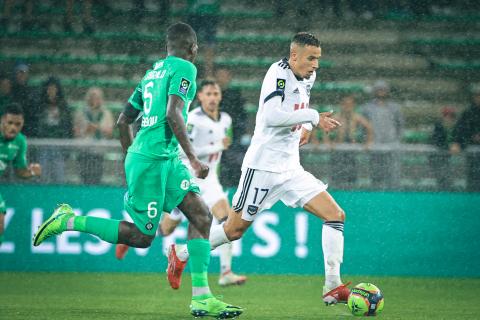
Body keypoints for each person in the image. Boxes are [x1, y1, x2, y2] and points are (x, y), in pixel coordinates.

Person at [33, 22, 242, 319]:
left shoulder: (151, 73)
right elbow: (172, 113)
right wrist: (194, 160)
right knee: (143, 237)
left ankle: (202, 298)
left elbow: (123, 120)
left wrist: (131, 156)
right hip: (153, 160)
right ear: (193, 48)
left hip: (161, 158)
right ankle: (68, 220)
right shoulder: (185, 68)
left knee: (201, 215)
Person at [168, 32, 351, 306]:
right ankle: (181, 254)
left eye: (318, 59)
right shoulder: (277, 74)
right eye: (311, 58)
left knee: (335, 215)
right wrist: (312, 117)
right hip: (262, 167)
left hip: (291, 168)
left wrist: (308, 126)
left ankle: (332, 286)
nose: (315, 65)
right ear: (294, 56)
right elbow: (270, 116)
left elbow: (301, 105)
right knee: (233, 230)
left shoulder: (308, 77)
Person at [116, 80, 247, 287]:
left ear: (220, 96)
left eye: (216, 93)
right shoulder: (193, 119)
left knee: (227, 219)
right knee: (166, 229)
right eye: (208, 94)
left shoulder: (227, 120)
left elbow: (223, 149)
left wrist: (217, 156)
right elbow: (180, 150)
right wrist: (215, 147)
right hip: (188, 177)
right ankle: (129, 238)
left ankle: (225, 272)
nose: (213, 98)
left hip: (210, 179)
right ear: (200, 97)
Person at [0, 103, 41, 246]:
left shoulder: (20, 141)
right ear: (2, 120)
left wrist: (31, 172)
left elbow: (19, 171)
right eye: (10, 123)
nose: (13, 128)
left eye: (18, 124)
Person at [322, 94, 373, 187]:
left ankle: (351, 188)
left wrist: (367, 143)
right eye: (345, 104)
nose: (347, 107)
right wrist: (328, 143)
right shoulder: (337, 117)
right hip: (339, 149)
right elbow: (325, 128)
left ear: (353, 105)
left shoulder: (356, 117)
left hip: (351, 149)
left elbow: (369, 128)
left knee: (351, 174)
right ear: (342, 105)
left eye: (350, 104)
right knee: (336, 174)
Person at [361, 80, 404, 189]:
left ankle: (393, 193)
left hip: (391, 146)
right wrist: (367, 140)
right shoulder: (367, 108)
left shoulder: (395, 108)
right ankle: (376, 192)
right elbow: (363, 127)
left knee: (392, 173)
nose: (381, 92)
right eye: (379, 89)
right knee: (376, 173)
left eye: (383, 89)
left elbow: (400, 125)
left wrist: (396, 140)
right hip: (374, 145)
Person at [36, 77, 73, 183]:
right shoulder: (40, 105)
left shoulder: (63, 106)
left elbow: (67, 126)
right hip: (43, 145)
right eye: (49, 89)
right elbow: (37, 125)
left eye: (53, 89)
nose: (51, 91)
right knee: (42, 177)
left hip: (59, 146)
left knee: (59, 177)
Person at [215, 68, 248, 188]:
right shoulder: (211, 97)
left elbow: (242, 117)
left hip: (232, 139)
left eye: (224, 76)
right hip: (213, 138)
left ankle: (232, 191)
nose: (221, 79)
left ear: (229, 78)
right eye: (219, 76)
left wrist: (234, 136)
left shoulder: (235, 95)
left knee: (233, 165)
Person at [73, 87, 113, 185]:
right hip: (84, 150)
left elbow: (110, 132)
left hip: (98, 151)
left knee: (97, 177)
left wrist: (98, 128)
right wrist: (86, 130)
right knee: (84, 177)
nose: (95, 100)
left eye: (97, 98)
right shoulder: (81, 112)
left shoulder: (106, 113)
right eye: (92, 97)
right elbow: (75, 131)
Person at [450, 89, 480, 191]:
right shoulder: (468, 112)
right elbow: (460, 129)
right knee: (473, 175)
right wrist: (457, 142)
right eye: (477, 96)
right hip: (472, 150)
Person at [429, 106, 457, 190]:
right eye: (446, 115)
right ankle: (442, 189)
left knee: (446, 175)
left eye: (451, 115)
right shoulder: (438, 125)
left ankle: (446, 189)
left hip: (446, 156)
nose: (448, 118)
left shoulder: (456, 127)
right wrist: (448, 147)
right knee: (441, 175)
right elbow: (436, 140)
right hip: (438, 155)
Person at [10, 62, 38, 137]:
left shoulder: (32, 92)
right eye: (19, 72)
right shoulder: (10, 91)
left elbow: (33, 113)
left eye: (24, 73)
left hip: (28, 129)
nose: (21, 75)